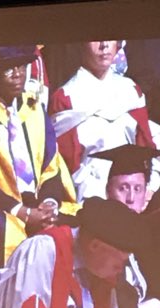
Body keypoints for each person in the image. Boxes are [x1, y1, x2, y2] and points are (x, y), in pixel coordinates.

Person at [0, 45, 78, 268]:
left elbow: (51, 163)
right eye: (8, 69)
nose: (18, 74)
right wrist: (23, 212)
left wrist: (48, 204)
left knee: (78, 221)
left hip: (37, 200)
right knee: (1, 227)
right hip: (0, 207)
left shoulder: (34, 108)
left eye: (21, 66)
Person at [0, 196, 153, 308]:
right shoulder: (43, 250)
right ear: (95, 246)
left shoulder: (101, 272)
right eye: (118, 263)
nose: (120, 270)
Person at [50, 40, 159, 203]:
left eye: (110, 38)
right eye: (95, 39)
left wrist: (147, 188)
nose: (104, 45)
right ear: (81, 44)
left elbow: (147, 144)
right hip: (92, 198)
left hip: (136, 195)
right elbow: (67, 166)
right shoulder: (66, 97)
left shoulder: (130, 90)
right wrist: (109, 196)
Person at [96, 144, 160, 308]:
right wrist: (156, 306)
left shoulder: (151, 239)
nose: (130, 199)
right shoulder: (97, 240)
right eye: (123, 188)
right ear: (107, 192)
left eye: (138, 189)